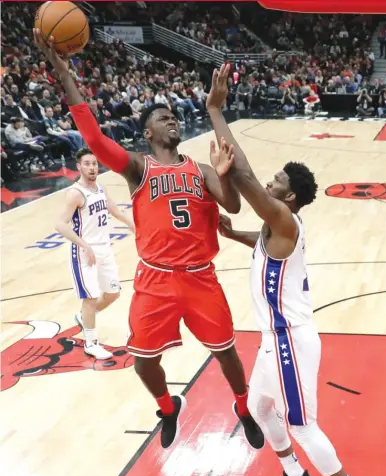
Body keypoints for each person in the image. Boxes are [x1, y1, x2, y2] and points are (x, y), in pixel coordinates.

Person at [34, 31, 264, 451]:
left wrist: (225, 172)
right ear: (147, 134)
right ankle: (168, 406)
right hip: (155, 279)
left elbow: (232, 207)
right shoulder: (138, 168)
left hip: (200, 278)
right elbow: (95, 140)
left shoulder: (200, 168)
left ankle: (243, 407)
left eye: (174, 116)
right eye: (162, 118)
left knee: (227, 354)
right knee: (143, 362)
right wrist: (64, 73)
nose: (172, 119)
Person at [206, 64, 380, 476]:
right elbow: (260, 241)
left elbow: (241, 175)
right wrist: (232, 232)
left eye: (278, 179)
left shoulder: (284, 217)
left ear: (291, 196)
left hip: (290, 341)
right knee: (262, 409)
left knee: (303, 425)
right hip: (271, 339)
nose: (270, 180)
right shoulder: (271, 228)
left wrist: (217, 112)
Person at [55, 148, 134, 360]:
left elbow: (115, 210)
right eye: (87, 164)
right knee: (90, 298)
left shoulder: (100, 188)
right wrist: (84, 245)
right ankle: (91, 342)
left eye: (95, 164)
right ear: (79, 166)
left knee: (113, 293)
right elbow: (60, 225)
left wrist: (133, 225)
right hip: (83, 251)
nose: (92, 168)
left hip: (104, 247)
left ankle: (84, 318)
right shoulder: (75, 193)